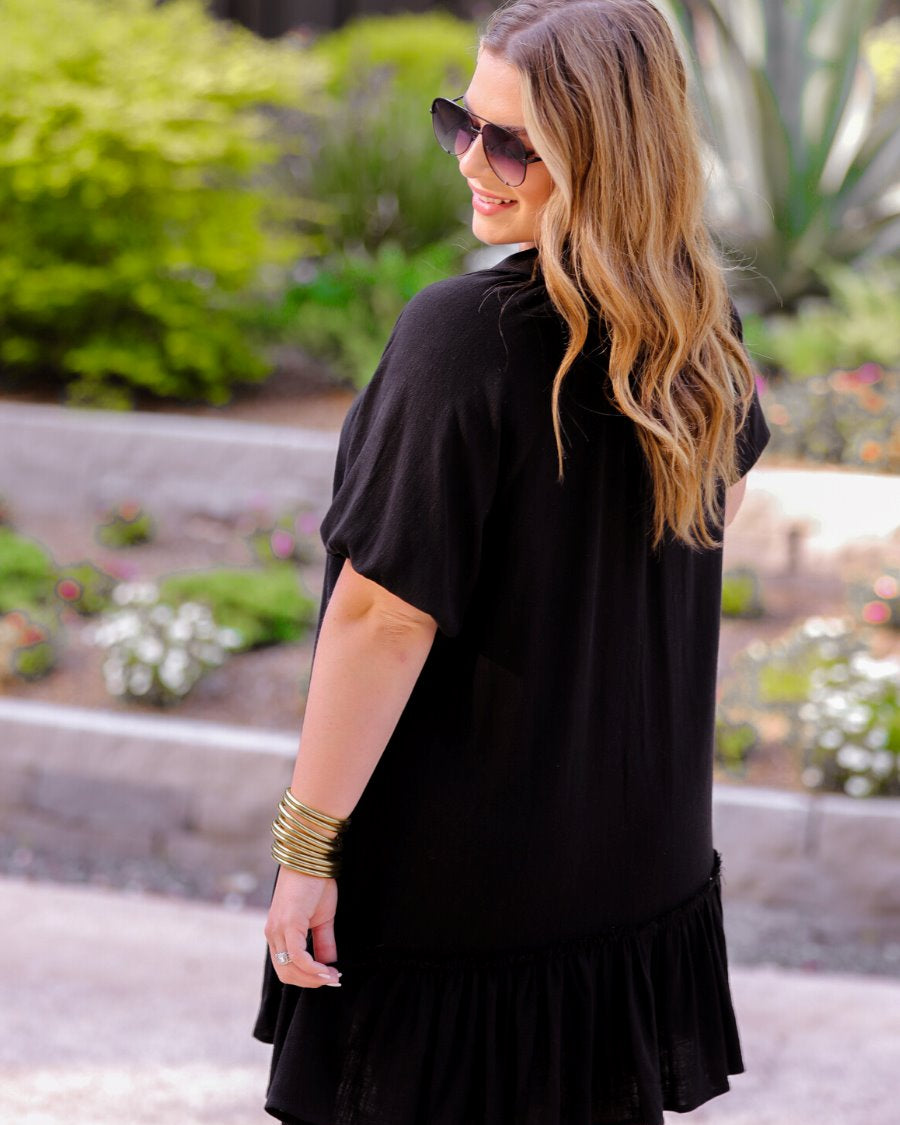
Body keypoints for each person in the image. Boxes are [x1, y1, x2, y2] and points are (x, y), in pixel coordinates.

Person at [252, 0, 771, 1122]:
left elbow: (382, 619)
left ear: (608, 155)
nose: (471, 163)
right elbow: (685, 534)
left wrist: (307, 848)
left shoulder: (463, 336)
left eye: (513, 144)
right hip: (627, 886)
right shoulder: (699, 334)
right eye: (462, 122)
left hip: (465, 910)